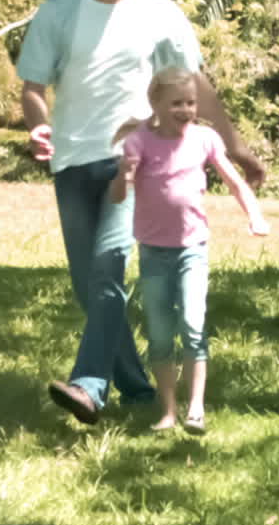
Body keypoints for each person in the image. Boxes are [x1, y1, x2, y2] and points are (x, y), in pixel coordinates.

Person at [16, 0, 266, 425]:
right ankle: (135, 387)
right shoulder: (59, 10)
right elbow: (33, 86)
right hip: (71, 160)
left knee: (109, 265)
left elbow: (193, 82)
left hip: (132, 158)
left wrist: (234, 143)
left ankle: (89, 386)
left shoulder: (157, 8)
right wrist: (38, 125)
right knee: (89, 287)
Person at [109, 68, 270, 435]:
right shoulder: (139, 142)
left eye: (191, 103)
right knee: (160, 334)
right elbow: (118, 196)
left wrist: (255, 215)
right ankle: (168, 411)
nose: (185, 110)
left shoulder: (204, 139)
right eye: (177, 103)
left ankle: (196, 409)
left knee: (194, 326)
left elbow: (233, 181)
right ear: (156, 104)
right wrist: (123, 175)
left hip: (192, 250)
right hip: (154, 253)